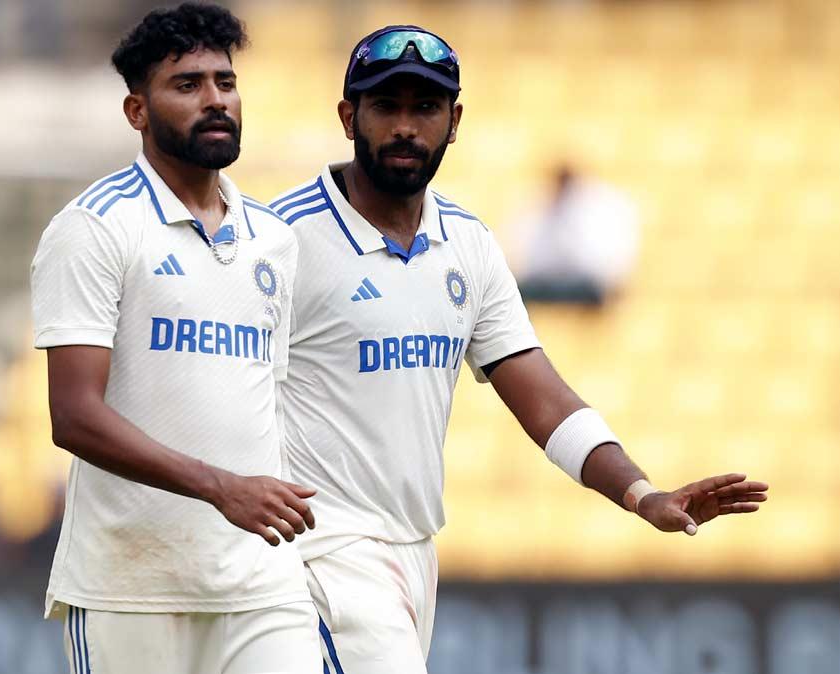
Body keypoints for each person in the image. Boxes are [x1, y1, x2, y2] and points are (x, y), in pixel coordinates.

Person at [271, 25, 768, 674]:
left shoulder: (468, 245)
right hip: (316, 550)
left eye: (425, 108)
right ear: (348, 117)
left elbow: (542, 397)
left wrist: (641, 494)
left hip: (413, 552)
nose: (405, 128)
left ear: (454, 123)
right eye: (385, 107)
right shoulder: (279, 239)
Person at [30, 4, 321, 673]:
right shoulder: (96, 228)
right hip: (131, 587)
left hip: (262, 583)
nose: (215, 99)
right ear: (137, 111)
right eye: (187, 85)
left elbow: (263, 403)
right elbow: (74, 416)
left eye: (225, 81)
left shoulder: (274, 239)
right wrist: (222, 488)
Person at [512, 163, 640, 305]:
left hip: (586, 284)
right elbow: (527, 258)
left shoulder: (601, 209)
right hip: (547, 282)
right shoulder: (539, 208)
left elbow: (604, 264)